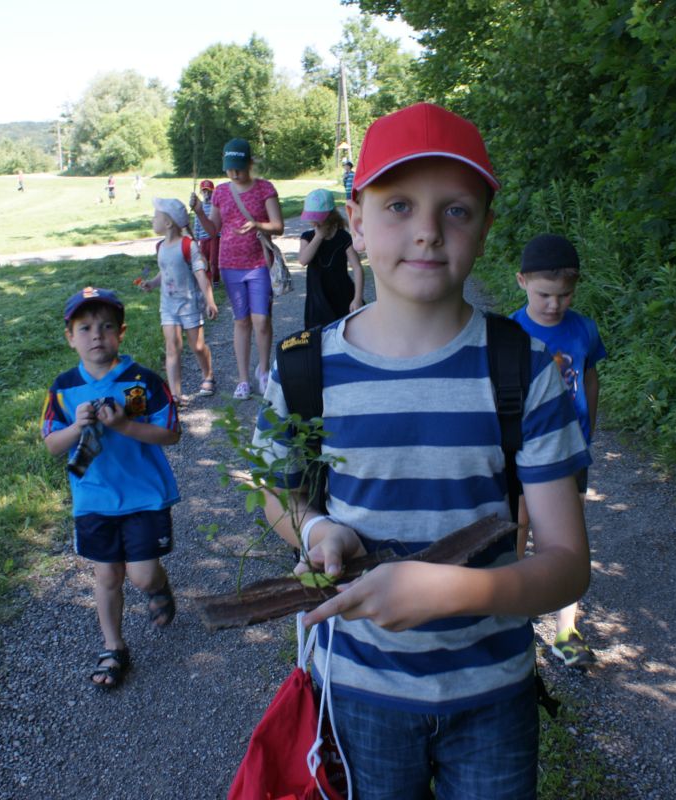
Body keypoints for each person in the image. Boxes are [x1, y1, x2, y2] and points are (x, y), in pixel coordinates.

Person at [253, 103, 591, 798]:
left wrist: (453, 590)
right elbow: (278, 496)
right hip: (356, 691)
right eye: (399, 205)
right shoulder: (303, 369)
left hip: (492, 694)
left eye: (456, 210)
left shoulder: (525, 370)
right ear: (356, 219)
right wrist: (315, 529)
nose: (428, 231)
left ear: (486, 228)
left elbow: (567, 566)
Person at [41, 287, 182, 690]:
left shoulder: (143, 381)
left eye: (106, 327)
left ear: (121, 333)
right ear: (70, 338)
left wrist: (123, 425)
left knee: (141, 575)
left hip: (144, 496)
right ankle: (113, 647)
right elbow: (52, 444)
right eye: (85, 328)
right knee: (107, 576)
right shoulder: (64, 388)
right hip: (94, 498)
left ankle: (158, 586)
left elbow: (171, 433)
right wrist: (76, 427)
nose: (96, 336)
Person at [511, 233, 607, 669]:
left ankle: (566, 632)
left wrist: (588, 432)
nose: (554, 304)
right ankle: (515, 612)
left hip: (569, 451)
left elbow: (590, 376)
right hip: (523, 448)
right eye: (544, 294)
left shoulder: (584, 329)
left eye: (564, 295)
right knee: (518, 525)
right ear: (522, 282)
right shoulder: (510, 332)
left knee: (567, 537)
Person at [206, 138, 284, 400]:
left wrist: (258, 225)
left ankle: (263, 370)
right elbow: (213, 230)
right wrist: (198, 213)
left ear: (250, 164)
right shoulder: (220, 192)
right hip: (230, 264)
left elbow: (279, 226)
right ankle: (243, 379)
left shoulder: (264, 189)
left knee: (261, 320)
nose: (234, 173)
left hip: (259, 262)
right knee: (241, 321)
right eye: (229, 168)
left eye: (238, 168)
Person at [139, 198, 219, 405]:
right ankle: (175, 394)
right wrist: (152, 283)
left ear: (168, 223)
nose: (152, 220)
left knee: (197, 346)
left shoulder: (188, 245)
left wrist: (210, 301)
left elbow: (200, 274)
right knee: (172, 347)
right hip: (168, 306)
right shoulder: (160, 246)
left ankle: (208, 375)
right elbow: (165, 272)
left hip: (189, 304)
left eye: (156, 217)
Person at [297, 188, 364, 328]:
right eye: (311, 217)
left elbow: (357, 268)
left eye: (317, 217)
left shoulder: (343, 237)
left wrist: (357, 298)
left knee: (346, 331)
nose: (313, 221)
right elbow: (303, 260)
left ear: (330, 216)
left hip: (343, 296)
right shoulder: (307, 237)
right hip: (318, 300)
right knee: (319, 335)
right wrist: (319, 237)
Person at [191, 179, 220, 285]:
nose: (206, 194)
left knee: (214, 260)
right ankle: (207, 280)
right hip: (203, 238)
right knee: (203, 260)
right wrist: (196, 237)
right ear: (201, 192)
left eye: (209, 191)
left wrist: (220, 235)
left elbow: (219, 221)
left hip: (214, 237)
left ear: (213, 192)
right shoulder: (199, 206)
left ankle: (215, 280)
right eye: (204, 191)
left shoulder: (215, 206)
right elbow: (197, 223)